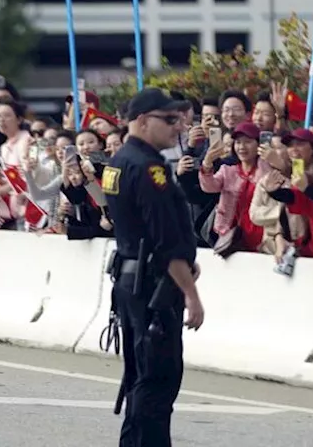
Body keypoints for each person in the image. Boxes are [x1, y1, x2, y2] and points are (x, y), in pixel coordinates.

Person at [103, 88, 205, 447]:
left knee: (140, 378)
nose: (177, 127)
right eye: (169, 120)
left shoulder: (119, 161)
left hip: (131, 282)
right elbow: (166, 243)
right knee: (158, 381)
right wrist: (191, 294)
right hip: (153, 287)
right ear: (143, 121)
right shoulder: (149, 169)